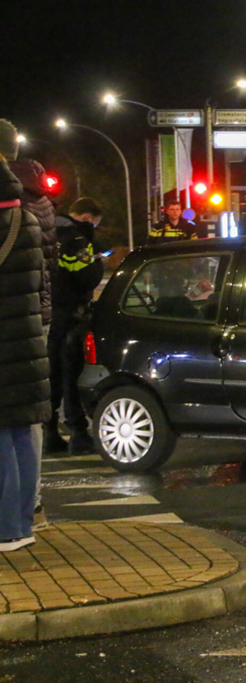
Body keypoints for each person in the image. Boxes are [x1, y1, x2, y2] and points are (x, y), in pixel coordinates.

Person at [0, 151, 49, 552]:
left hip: (4, 342)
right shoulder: (27, 219)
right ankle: (21, 523)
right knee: (20, 429)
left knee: (3, 432)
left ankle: (5, 529)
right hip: (27, 337)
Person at [8, 146, 58, 531]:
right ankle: (31, 510)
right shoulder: (39, 201)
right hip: (34, 313)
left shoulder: (11, 202)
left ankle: (12, 520)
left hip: (10, 318)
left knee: (9, 422)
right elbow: (49, 262)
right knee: (29, 417)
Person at [46, 197, 104, 455]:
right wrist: (96, 255)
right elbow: (86, 276)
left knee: (52, 376)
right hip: (72, 315)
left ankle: (49, 434)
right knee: (72, 375)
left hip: (49, 314)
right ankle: (78, 433)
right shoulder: (78, 239)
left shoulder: (47, 233)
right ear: (88, 217)